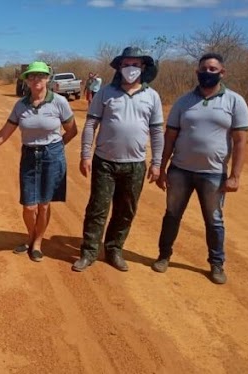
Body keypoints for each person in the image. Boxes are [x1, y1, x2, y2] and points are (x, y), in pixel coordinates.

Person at [152, 53, 248, 285]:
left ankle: (216, 264)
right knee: (172, 215)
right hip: (180, 171)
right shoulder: (184, 102)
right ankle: (164, 256)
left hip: (214, 174)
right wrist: (162, 167)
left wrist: (235, 176)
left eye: (213, 69)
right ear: (197, 72)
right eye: (203, 68)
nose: (208, 72)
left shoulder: (235, 102)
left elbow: (240, 142)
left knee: (214, 221)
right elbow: (170, 136)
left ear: (222, 73)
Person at [0, 61, 77, 262]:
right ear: (26, 80)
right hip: (29, 155)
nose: (36, 79)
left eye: (41, 75)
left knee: (44, 205)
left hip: (52, 155)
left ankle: (37, 242)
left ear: (48, 78)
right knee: (29, 206)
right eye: (32, 76)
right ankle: (30, 236)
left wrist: (58, 146)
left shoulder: (59, 102)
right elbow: (4, 134)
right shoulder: (20, 105)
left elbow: (72, 130)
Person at [72, 46, 164, 272]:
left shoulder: (152, 96)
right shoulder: (105, 92)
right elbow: (91, 124)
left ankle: (114, 249)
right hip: (105, 162)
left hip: (135, 165)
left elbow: (156, 131)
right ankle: (89, 251)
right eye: (126, 64)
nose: (130, 68)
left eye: (135, 64)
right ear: (119, 67)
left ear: (143, 67)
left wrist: (157, 162)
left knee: (126, 210)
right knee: (97, 208)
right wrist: (85, 154)